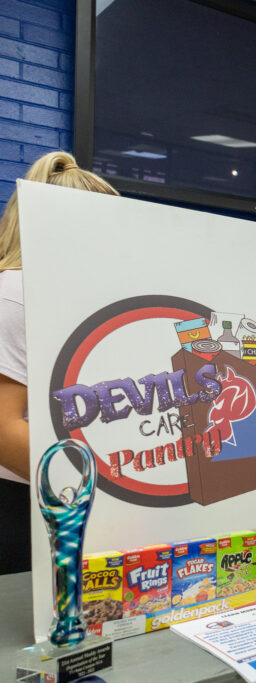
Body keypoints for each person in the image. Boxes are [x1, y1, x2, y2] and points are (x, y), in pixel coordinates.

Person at [0, 151, 118, 575]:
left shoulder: (76, 296)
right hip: (22, 502)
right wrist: (99, 492)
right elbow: (3, 426)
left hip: (65, 488)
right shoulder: (14, 292)